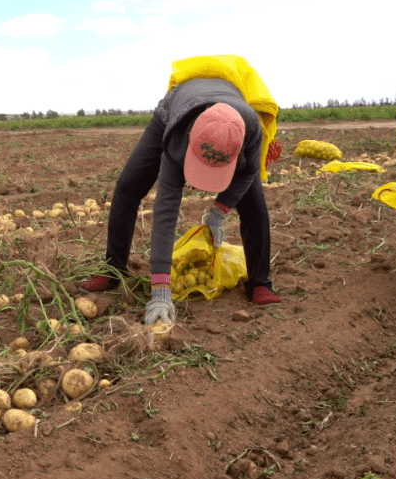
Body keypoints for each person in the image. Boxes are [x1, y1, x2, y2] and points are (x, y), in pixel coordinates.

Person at [80, 56, 281, 326]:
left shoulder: (251, 131)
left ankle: (259, 282)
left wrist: (220, 211)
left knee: (254, 203)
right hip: (175, 110)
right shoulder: (178, 138)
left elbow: (246, 174)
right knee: (128, 186)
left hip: (229, 117)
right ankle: (114, 269)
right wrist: (161, 288)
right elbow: (166, 208)